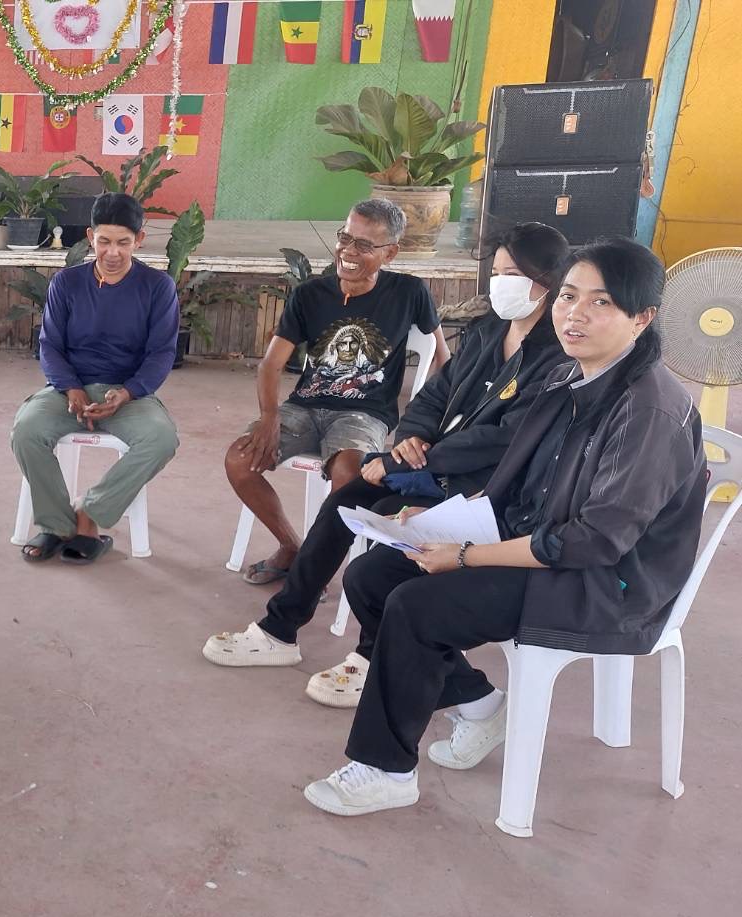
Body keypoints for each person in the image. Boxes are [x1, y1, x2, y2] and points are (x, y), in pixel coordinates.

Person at [305, 237, 707, 817]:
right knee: (373, 576)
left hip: (601, 582)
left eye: (601, 303)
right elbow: (520, 481)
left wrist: (464, 555)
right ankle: (476, 703)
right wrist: (437, 521)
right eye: (569, 296)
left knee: (418, 607)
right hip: (538, 542)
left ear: (642, 318)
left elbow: (595, 540)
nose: (575, 313)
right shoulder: (568, 376)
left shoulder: (647, 411)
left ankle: (386, 769)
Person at [203, 223, 573, 706]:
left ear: (548, 282)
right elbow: (436, 392)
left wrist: (415, 460)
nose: (499, 284)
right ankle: (280, 629)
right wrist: (411, 437)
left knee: (382, 549)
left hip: (476, 489)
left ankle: (371, 655)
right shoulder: (488, 334)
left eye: (513, 274)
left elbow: (508, 439)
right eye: (497, 271)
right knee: (346, 501)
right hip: (431, 467)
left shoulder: (557, 353)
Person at [224, 198, 448, 585]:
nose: (348, 251)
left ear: (390, 253)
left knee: (351, 475)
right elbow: (271, 364)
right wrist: (269, 417)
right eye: (345, 237)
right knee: (239, 460)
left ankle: (311, 569)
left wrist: (427, 425)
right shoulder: (309, 295)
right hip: (305, 406)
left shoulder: (410, 293)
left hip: (365, 414)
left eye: (364, 244)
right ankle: (292, 546)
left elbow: (442, 360)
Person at [9, 193, 181, 564]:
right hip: (69, 389)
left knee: (161, 438)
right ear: (90, 237)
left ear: (140, 239)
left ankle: (90, 515)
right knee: (26, 428)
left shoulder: (158, 287)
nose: (113, 252)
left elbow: (161, 353)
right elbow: (50, 346)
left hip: (127, 394)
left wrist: (129, 392)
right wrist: (70, 388)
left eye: (123, 242)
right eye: (104, 241)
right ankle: (57, 525)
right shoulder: (66, 284)